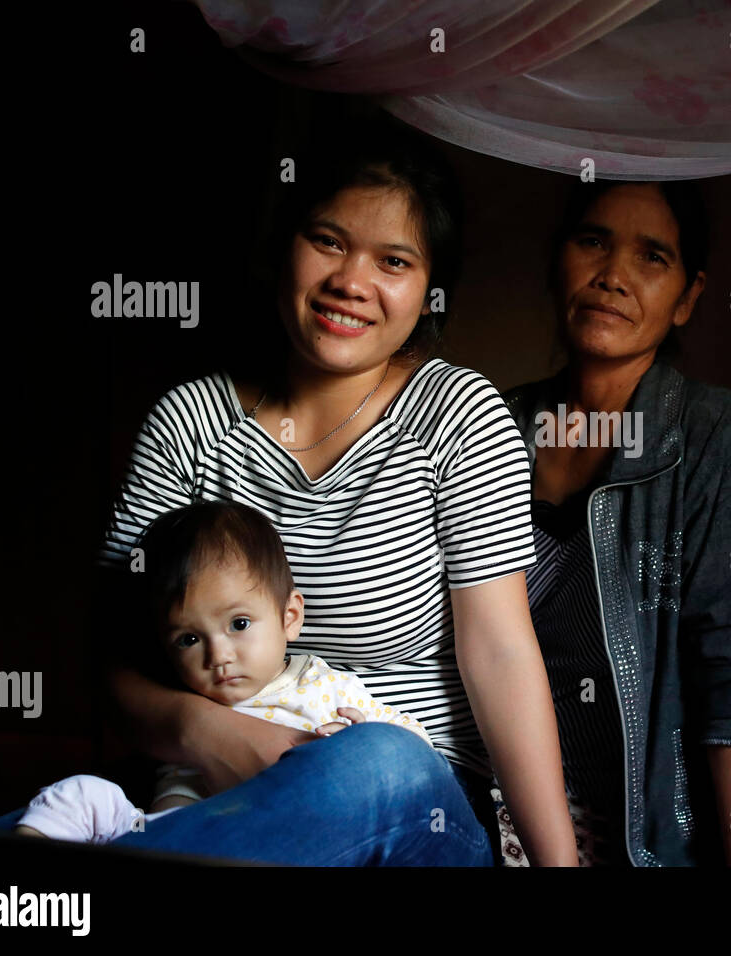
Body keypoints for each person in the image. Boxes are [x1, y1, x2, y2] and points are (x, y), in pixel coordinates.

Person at [81, 120, 577, 865]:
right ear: (284, 244)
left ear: (429, 290)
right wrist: (214, 736)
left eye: (394, 260)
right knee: (65, 811)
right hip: (219, 796)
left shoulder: (458, 418)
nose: (352, 281)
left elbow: (501, 654)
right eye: (329, 240)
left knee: (378, 762)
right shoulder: (189, 425)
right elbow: (112, 662)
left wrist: (557, 866)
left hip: (416, 802)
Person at [499, 180, 731, 866]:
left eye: (652, 257)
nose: (613, 276)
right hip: (483, 798)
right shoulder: (492, 424)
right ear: (556, 260)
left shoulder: (709, 435)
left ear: (688, 297)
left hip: (630, 829)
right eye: (592, 241)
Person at [15, 501, 433, 844]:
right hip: (203, 837)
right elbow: (174, 802)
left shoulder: (325, 688)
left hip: (300, 837)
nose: (218, 655)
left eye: (238, 624)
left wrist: (355, 743)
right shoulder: (191, 708)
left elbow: (415, 754)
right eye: (189, 639)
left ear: (290, 616)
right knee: (78, 794)